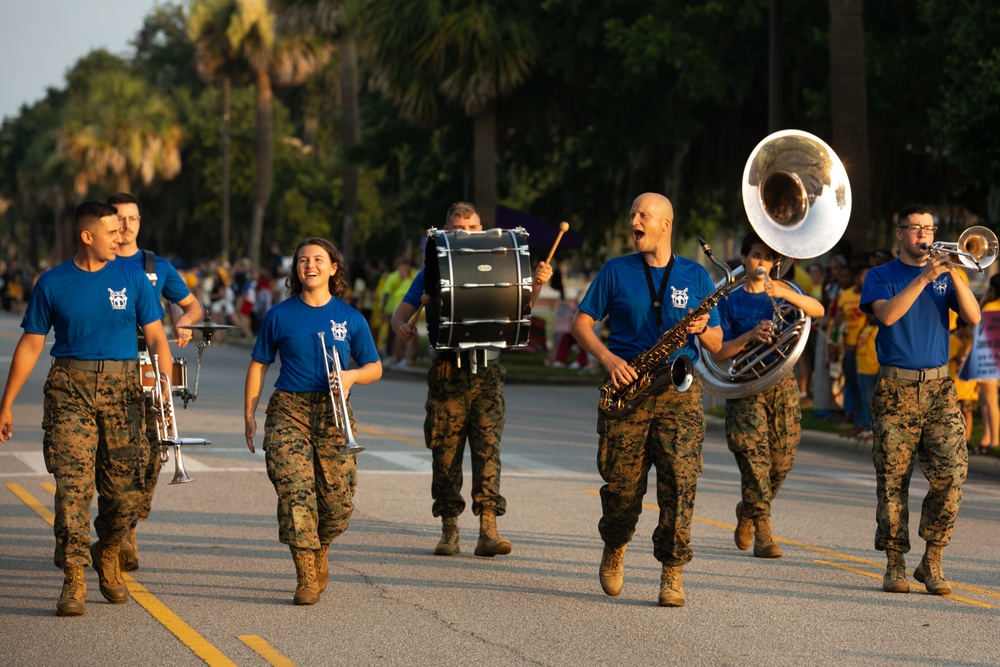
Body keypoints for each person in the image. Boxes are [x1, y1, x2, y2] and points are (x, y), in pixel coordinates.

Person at [0, 200, 171, 616]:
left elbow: (157, 338)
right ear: (87, 236)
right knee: (73, 489)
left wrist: (163, 386)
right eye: (112, 232)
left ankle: (108, 551)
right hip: (69, 389)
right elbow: (31, 344)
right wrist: (6, 404)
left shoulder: (133, 278)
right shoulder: (52, 283)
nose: (121, 237)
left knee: (125, 493)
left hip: (125, 391)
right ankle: (73, 578)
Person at [570, 192, 720, 607]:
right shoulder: (616, 271)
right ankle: (615, 543)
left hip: (679, 391)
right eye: (632, 213)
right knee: (621, 488)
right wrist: (607, 357)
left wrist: (704, 329)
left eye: (643, 215)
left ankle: (671, 572)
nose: (634, 220)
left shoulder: (697, 276)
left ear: (665, 225)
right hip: (628, 387)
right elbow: (579, 324)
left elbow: (720, 344)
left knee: (681, 484)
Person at [390, 201, 552, 560]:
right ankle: (450, 529)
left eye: (474, 228)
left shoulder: (501, 263)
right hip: (448, 369)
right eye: (459, 229)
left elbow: (521, 305)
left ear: (483, 230)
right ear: (446, 232)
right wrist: (400, 325)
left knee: (487, 449)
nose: (467, 234)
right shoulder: (433, 271)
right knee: (445, 452)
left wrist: (536, 284)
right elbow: (401, 312)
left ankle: (489, 530)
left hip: (489, 370)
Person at [244, 237, 382, 605]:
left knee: (337, 503)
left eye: (319, 259)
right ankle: (305, 574)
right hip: (289, 409)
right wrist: (249, 414)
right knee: (295, 493)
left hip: (334, 413)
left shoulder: (351, 317)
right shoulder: (278, 315)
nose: (310, 265)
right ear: (296, 269)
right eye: (303, 260)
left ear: (333, 268)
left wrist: (352, 377)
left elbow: (375, 367)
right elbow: (260, 364)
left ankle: (321, 549)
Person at [860, 205, 980, 596]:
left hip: (940, 388)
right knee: (893, 481)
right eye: (916, 229)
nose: (924, 236)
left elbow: (974, 318)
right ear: (900, 234)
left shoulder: (945, 275)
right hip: (896, 389)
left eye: (929, 229)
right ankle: (894, 563)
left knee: (952, 475)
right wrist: (925, 277)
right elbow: (889, 316)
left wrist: (954, 274)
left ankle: (932, 559)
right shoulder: (881, 276)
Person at [107, 193, 204, 572]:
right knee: (112, 454)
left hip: (148, 363)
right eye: (119, 218)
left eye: (132, 218)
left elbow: (193, 305)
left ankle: (130, 521)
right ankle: (118, 532)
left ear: (140, 221)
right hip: (110, 362)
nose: (126, 225)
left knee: (152, 451)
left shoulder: (156, 266)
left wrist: (184, 320)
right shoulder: (99, 262)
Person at [712, 231, 824, 559]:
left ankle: (748, 510)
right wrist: (750, 335)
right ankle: (763, 532)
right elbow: (720, 352)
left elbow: (815, 310)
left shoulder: (786, 291)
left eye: (768, 258)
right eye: (756, 255)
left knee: (783, 459)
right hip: (746, 383)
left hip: (781, 382)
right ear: (744, 259)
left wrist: (785, 293)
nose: (762, 263)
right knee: (754, 461)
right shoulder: (729, 300)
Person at [974, 273, 1000, 454]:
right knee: (987, 400)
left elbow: (981, 336)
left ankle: (993, 441)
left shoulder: (990, 306)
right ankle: (986, 438)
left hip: (988, 358)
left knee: (989, 401)